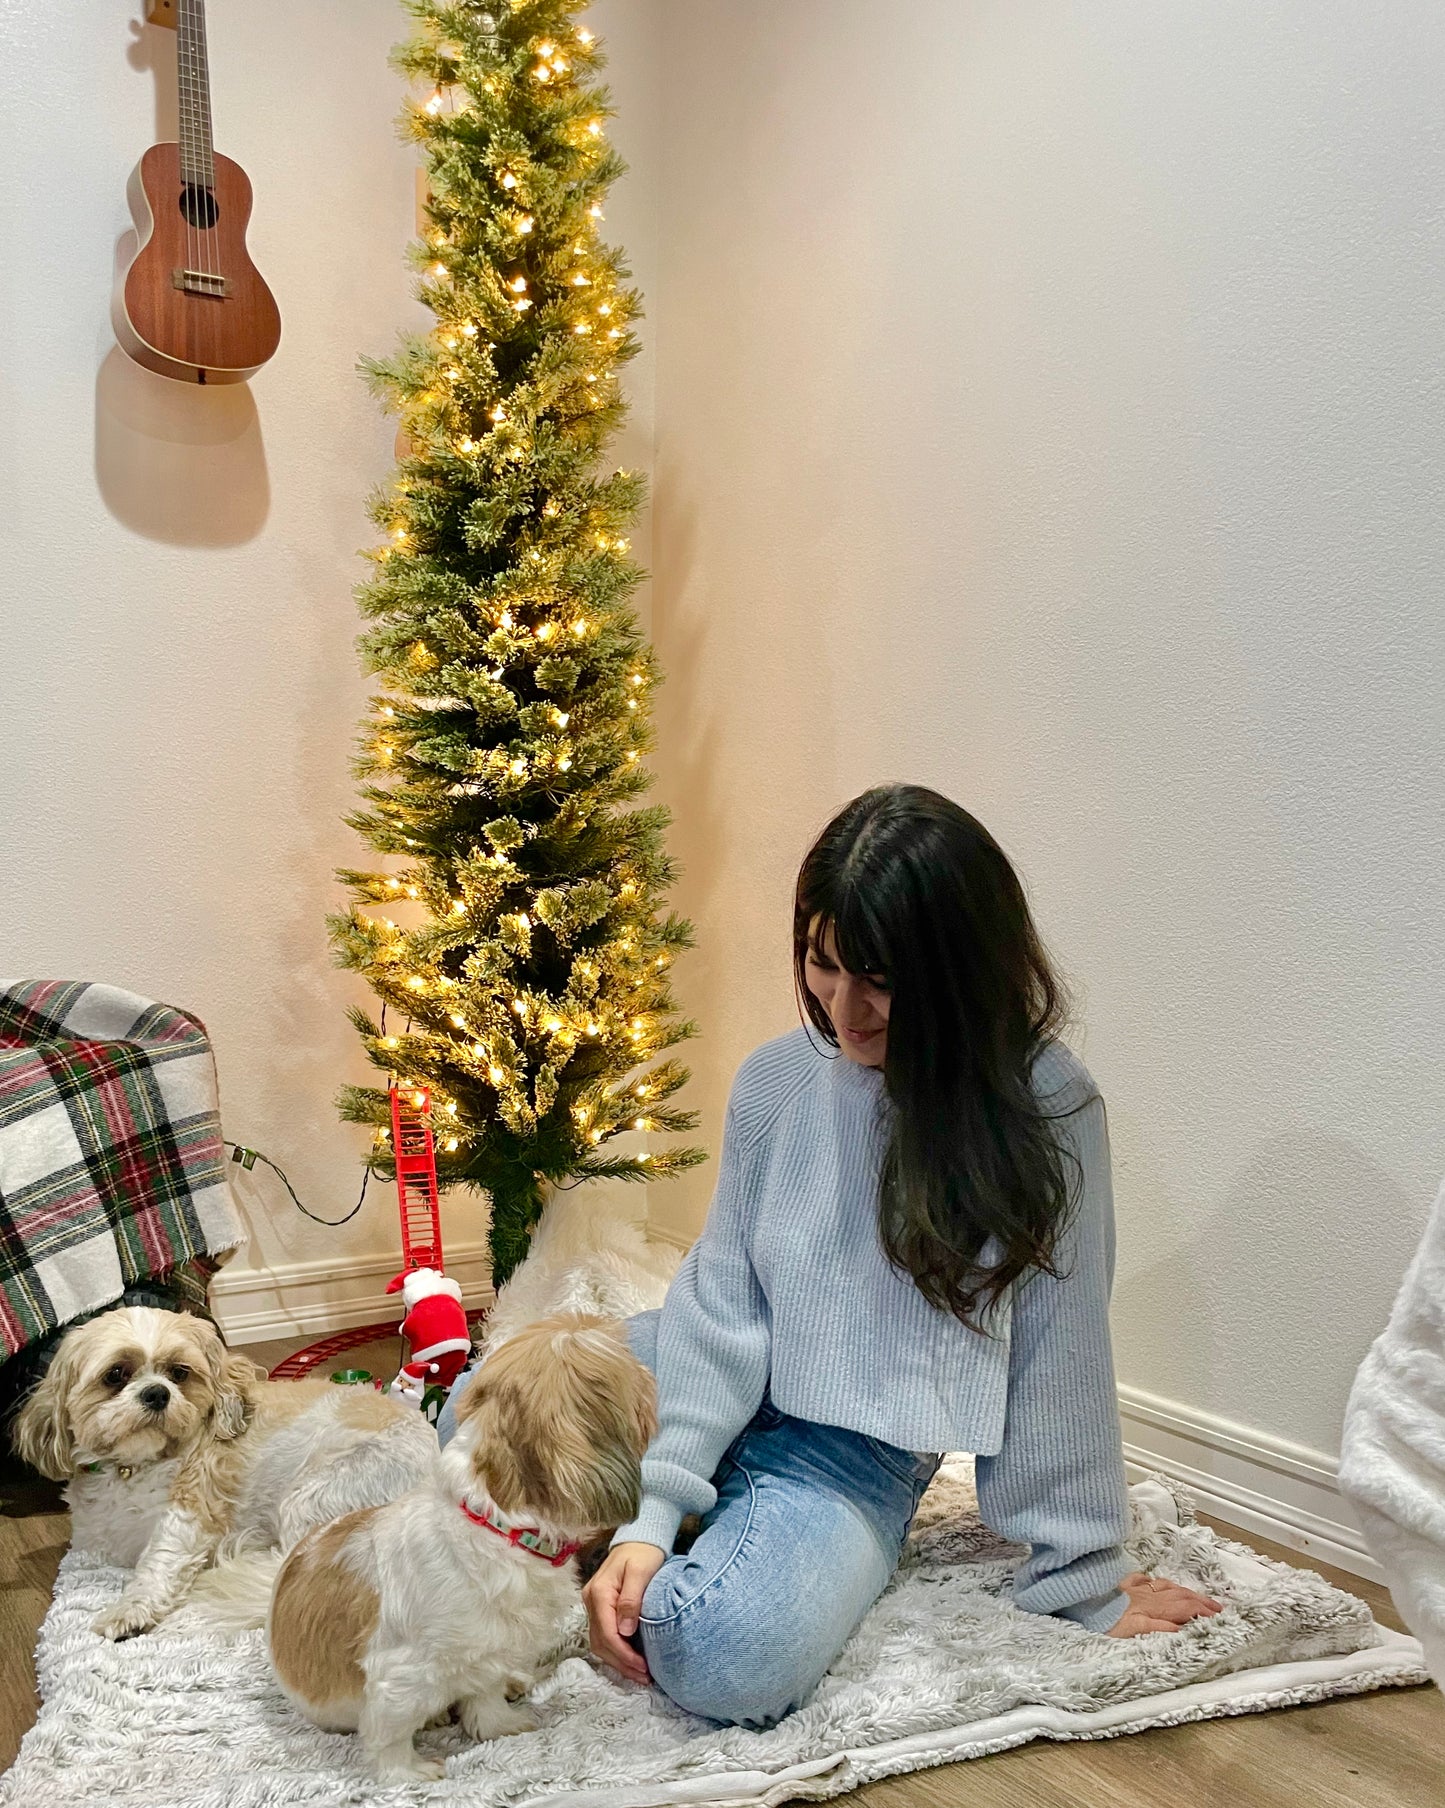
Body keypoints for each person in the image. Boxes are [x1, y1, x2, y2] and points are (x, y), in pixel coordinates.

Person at [438, 784, 1220, 1727]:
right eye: (822, 964)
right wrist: (650, 1515)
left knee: (719, 1654)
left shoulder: (1047, 1107)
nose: (845, 1010)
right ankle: (689, 1507)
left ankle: (705, 1524)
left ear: (958, 971)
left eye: (882, 980)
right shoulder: (776, 1080)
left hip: (856, 1446)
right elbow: (720, 1306)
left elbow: (1061, 1353)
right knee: (473, 1419)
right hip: (706, 1365)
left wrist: (1083, 1577)